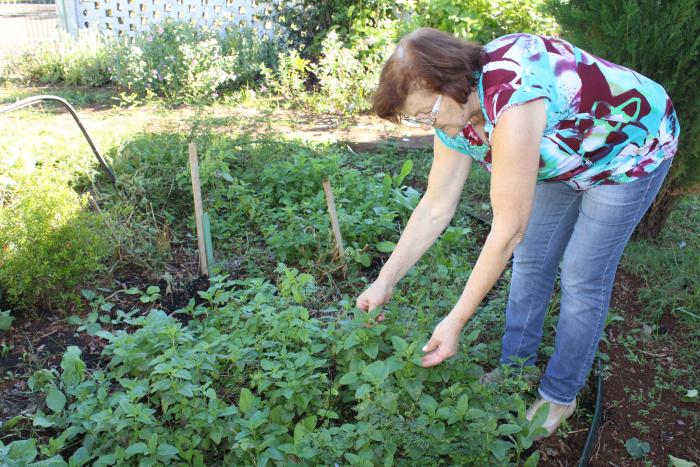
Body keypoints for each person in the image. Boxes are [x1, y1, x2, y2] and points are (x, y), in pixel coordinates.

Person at [356, 28, 679, 439]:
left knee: (581, 274)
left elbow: (508, 230)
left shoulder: (513, 96)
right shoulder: (454, 116)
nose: (427, 124)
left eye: (427, 113)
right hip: (558, 153)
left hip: (628, 150)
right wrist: (385, 282)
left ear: (452, 84)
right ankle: (515, 371)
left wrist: (454, 321)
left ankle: (560, 394)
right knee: (532, 259)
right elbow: (435, 207)